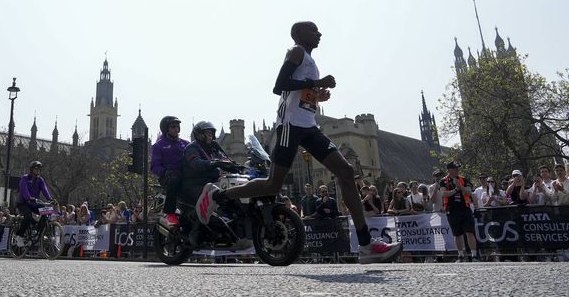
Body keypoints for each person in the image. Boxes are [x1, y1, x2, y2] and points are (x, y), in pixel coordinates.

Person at [197, 21, 402, 264]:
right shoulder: (296, 52)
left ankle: (366, 245)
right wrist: (316, 83)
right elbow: (279, 85)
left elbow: (299, 96)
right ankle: (219, 195)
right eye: (313, 30)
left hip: (308, 127)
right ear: (299, 35)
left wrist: (316, 96)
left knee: (346, 172)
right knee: (273, 185)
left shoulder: (310, 62)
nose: (319, 33)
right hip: (290, 127)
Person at [180, 121, 233, 208]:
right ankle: (208, 220)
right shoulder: (192, 147)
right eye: (208, 133)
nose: (210, 136)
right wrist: (214, 163)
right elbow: (196, 163)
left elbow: (224, 160)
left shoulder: (213, 149)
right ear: (200, 134)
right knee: (218, 194)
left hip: (211, 182)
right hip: (195, 184)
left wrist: (236, 166)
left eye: (211, 133)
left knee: (233, 188)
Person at [151, 115, 189, 228]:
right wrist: (165, 172)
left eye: (177, 127)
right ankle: (169, 213)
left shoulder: (186, 144)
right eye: (173, 127)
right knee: (174, 180)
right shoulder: (158, 146)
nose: (176, 129)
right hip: (168, 177)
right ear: (166, 128)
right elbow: (154, 166)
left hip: (185, 176)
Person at [440, 161, 479, 262]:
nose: (457, 170)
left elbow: (469, 192)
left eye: (458, 168)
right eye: (455, 168)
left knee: (470, 232)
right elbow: (443, 194)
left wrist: (460, 187)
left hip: (465, 209)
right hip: (452, 210)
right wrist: (455, 190)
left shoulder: (464, 180)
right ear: (449, 170)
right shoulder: (443, 181)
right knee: (457, 234)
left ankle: (474, 255)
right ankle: (460, 255)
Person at [16, 160, 54, 236]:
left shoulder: (40, 180)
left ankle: (38, 231)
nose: (38, 170)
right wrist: (29, 197)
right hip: (23, 203)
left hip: (33, 204)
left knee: (48, 210)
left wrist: (50, 199)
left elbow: (44, 189)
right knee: (28, 216)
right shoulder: (25, 178)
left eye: (39, 169)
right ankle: (19, 236)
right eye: (36, 168)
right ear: (31, 169)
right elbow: (24, 189)